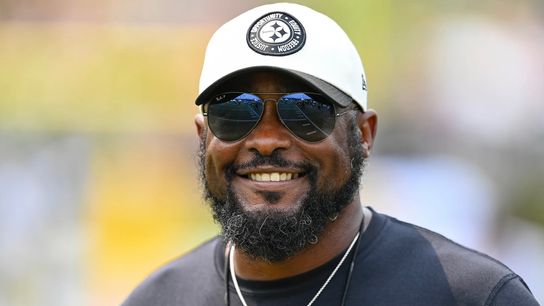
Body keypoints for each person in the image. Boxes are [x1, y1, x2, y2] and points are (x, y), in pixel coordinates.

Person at [122, 3, 539, 305]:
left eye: (304, 111)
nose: (266, 140)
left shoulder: (472, 296)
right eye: (235, 112)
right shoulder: (159, 298)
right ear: (203, 137)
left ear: (363, 133)